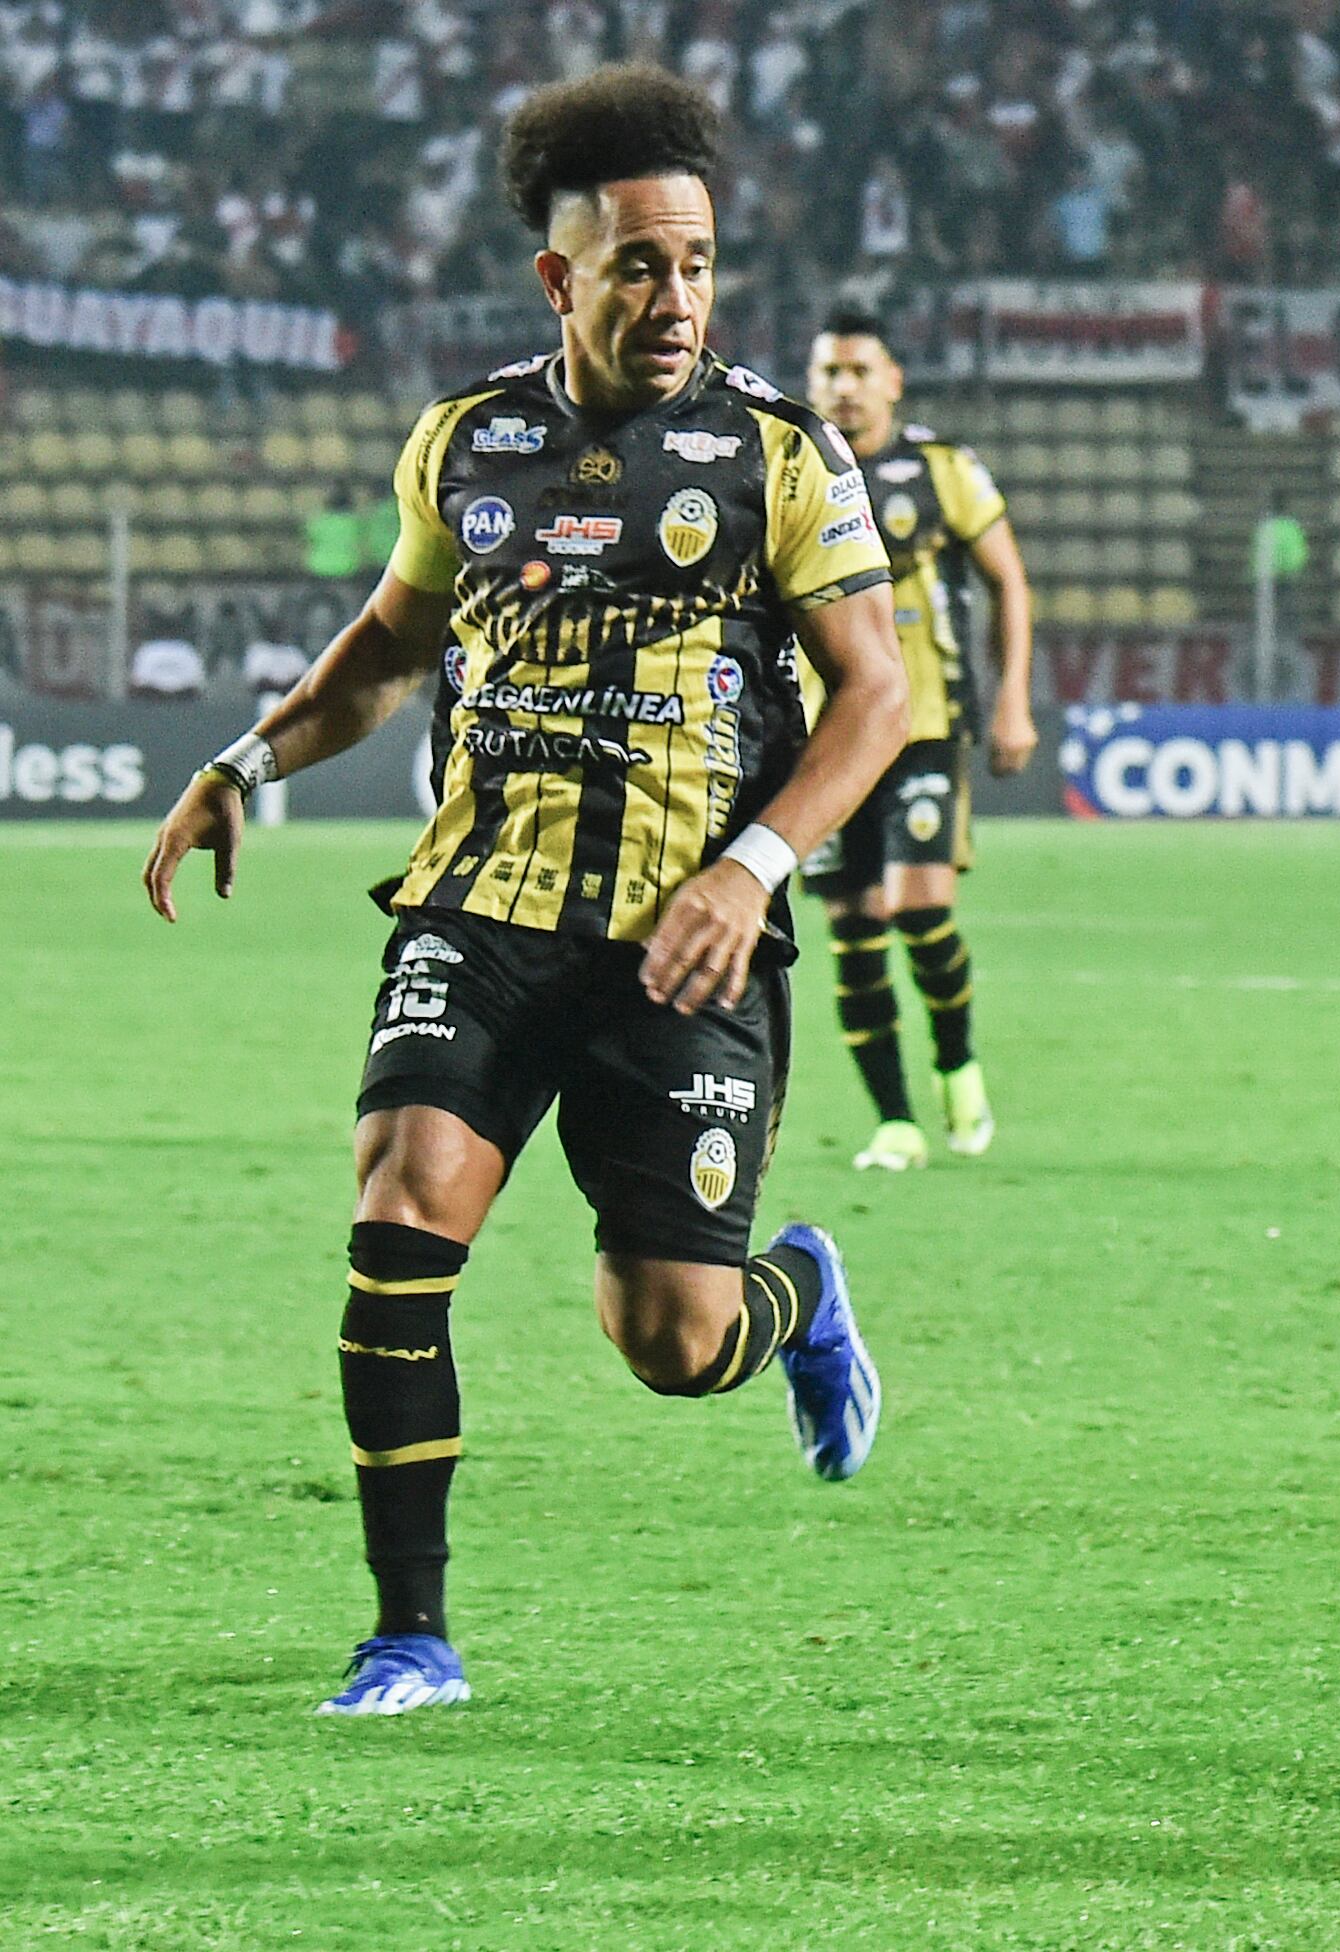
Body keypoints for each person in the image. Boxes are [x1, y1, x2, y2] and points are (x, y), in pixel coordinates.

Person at [139, 64, 910, 1718]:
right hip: (481, 903)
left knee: (673, 1342)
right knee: (402, 1202)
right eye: (638, 266)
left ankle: (794, 1293)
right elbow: (387, 645)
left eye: (697, 263)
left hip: (684, 936)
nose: (676, 298)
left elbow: (876, 696)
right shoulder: (469, 440)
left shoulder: (780, 453)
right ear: (561, 277)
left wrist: (752, 868)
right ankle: (409, 1637)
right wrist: (247, 760)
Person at [799, 309, 1038, 1170]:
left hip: (924, 723)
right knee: (855, 930)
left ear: (893, 381)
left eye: (860, 370)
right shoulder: (791, 469)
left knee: (920, 908)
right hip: (825, 737)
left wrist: (1013, 701)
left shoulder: (942, 470)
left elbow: (1009, 580)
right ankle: (894, 1122)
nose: (844, 387)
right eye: (830, 372)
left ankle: (956, 1066)